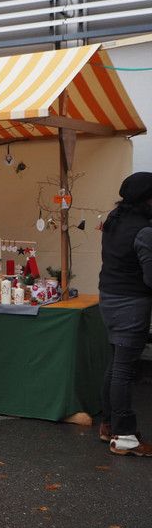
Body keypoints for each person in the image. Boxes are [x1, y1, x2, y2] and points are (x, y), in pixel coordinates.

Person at [98, 172, 152, 456]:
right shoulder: (144, 231)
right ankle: (125, 436)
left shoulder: (114, 220)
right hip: (130, 304)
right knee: (123, 370)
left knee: (116, 365)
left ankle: (108, 425)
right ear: (147, 199)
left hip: (109, 298)